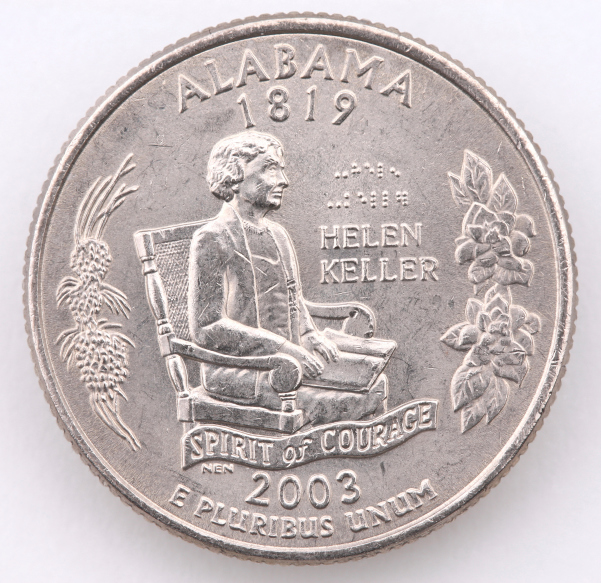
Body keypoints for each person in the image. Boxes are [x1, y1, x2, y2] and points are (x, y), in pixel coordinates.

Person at [188, 131, 387, 426]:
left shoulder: (277, 234)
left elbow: (291, 297)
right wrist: (282, 347)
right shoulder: (213, 238)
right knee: (349, 399)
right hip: (238, 370)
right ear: (235, 176)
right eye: (270, 169)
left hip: (289, 359)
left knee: (373, 381)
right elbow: (207, 329)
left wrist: (308, 334)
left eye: (281, 169)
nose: (284, 180)